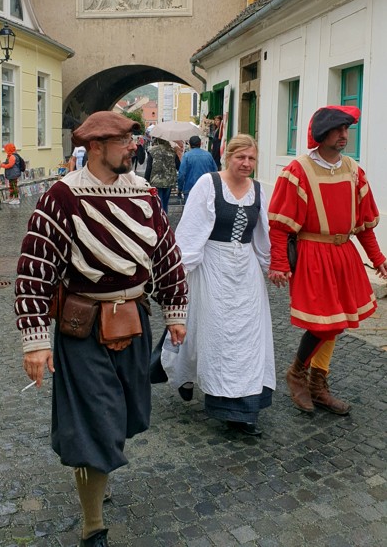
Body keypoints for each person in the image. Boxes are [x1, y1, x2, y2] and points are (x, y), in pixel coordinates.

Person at [15, 111, 188, 547]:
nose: (133, 147)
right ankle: (93, 525)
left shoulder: (144, 193)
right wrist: (35, 341)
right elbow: (35, 269)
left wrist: (175, 311)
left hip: (132, 322)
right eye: (123, 141)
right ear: (95, 147)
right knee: (94, 420)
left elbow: (166, 254)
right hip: (82, 328)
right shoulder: (62, 197)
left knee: (123, 415)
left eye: (132, 139)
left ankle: (98, 471)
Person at [268, 105, 387, 416]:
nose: (345, 135)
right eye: (338, 130)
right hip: (313, 255)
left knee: (337, 323)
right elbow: (280, 226)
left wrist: (377, 258)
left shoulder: (353, 170)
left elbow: (364, 224)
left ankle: (318, 383)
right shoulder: (298, 172)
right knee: (325, 323)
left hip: (343, 254)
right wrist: (279, 262)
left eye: (347, 129)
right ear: (322, 133)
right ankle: (297, 372)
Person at [162, 134, 275, 436]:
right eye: (241, 157)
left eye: (251, 158)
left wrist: (272, 266)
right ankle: (191, 377)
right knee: (215, 334)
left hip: (246, 272)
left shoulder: (259, 191)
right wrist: (180, 275)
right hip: (213, 267)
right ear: (228, 157)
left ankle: (243, 409)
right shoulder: (209, 184)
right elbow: (191, 231)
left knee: (249, 337)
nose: (246, 163)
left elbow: (263, 235)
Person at [177, 135, 217, 204]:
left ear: (190, 144)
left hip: (190, 188)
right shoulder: (208, 155)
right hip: (205, 188)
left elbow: (182, 174)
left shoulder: (186, 156)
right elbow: (215, 171)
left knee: (190, 209)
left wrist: (180, 188)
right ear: (200, 143)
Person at [144, 137, 179, 213]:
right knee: (165, 202)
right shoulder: (172, 151)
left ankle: (160, 217)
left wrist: (146, 181)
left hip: (156, 181)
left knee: (158, 202)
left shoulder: (152, 151)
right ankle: (164, 216)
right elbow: (178, 166)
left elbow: (149, 168)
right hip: (169, 181)